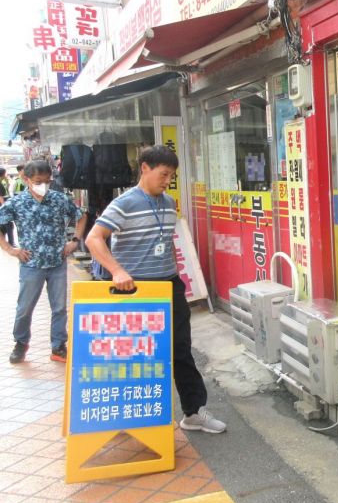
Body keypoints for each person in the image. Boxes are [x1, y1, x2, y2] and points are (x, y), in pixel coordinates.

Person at [85, 145, 226, 434]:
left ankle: (194, 412)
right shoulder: (123, 203)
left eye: (171, 176)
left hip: (169, 287)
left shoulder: (168, 202)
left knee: (180, 350)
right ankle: (126, 418)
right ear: (145, 168)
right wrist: (117, 270)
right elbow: (94, 239)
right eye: (163, 174)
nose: (166, 181)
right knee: (133, 355)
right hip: (135, 290)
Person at [0, 160, 87, 364]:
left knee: (59, 308)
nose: (44, 185)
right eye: (39, 181)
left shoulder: (59, 199)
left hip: (57, 262)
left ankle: (58, 346)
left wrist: (74, 241)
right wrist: (11, 249)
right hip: (31, 265)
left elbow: (81, 217)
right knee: (25, 308)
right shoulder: (16, 203)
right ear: (26, 179)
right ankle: (21, 343)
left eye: (47, 181)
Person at [0, 168, 15, 246]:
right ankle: (10, 243)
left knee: (4, 224)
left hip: (3, 204)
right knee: (8, 224)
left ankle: (7, 242)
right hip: (2, 205)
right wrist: (4, 207)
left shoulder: (3, 181)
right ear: (3, 173)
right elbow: (0, 196)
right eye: (6, 173)